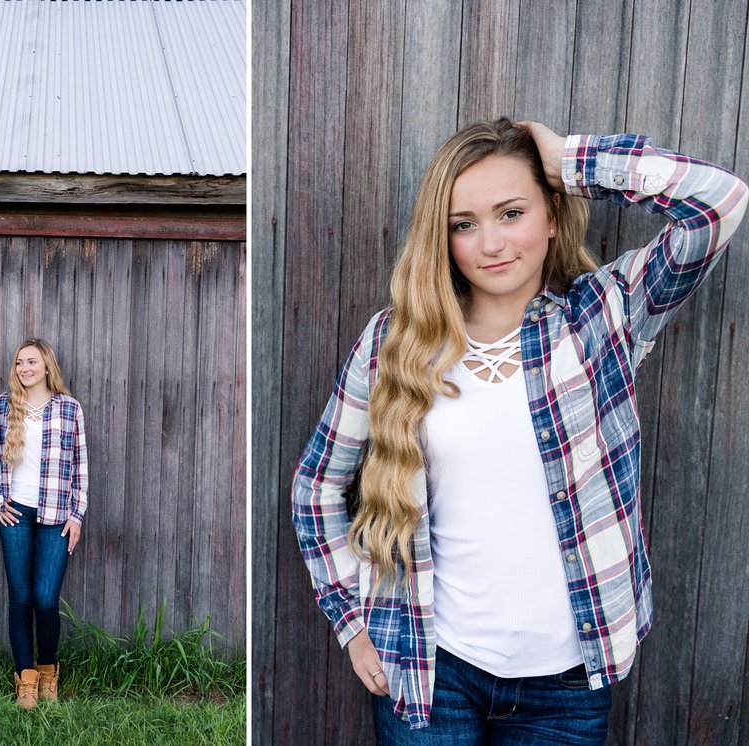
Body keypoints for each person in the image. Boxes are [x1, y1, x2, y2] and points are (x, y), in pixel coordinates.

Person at [292, 118, 747, 743]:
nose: (490, 243)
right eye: (464, 224)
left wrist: (573, 161)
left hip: (567, 689)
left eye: (512, 213)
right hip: (432, 672)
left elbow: (719, 202)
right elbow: (316, 489)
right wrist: (352, 623)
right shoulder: (393, 345)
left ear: (554, 215)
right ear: (443, 237)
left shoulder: (604, 317)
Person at [0, 338, 88, 710]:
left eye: (32, 362)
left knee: (45, 598)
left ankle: (49, 670)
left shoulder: (69, 409)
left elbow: (81, 468)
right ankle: (25, 679)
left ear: (46, 365)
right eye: (20, 362)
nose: (24, 368)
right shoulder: (2, 406)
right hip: (15, 514)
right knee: (20, 598)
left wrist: (78, 515)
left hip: (56, 516)